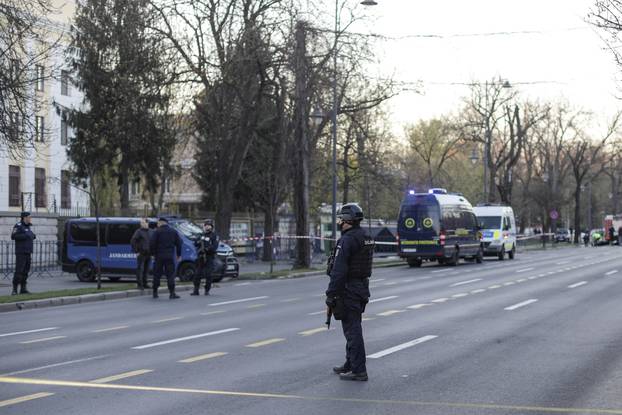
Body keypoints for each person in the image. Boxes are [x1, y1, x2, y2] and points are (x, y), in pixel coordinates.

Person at [325, 203, 374, 382]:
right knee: (351, 327)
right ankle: (350, 363)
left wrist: (331, 294)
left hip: (349, 288)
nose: (339, 222)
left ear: (347, 220)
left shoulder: (347, 240)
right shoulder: (366, 236)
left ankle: (359, 370)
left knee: (352, 330)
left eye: (340, 219)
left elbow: (339, 270)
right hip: (361, 287)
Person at [150, 217, 182, 299]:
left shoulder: (157, 232)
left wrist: (153, 254)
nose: (157, 224)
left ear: (161, 223)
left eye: (158, 223)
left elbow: (152, 243)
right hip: (169, 256)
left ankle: (155, 292)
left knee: (157, 274)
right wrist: (178, 255)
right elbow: (179, 244)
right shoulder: (173, 231)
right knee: (170, 275)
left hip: (159, 256)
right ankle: (172, 293)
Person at [11, 211, 36, 295]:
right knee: (19, 271)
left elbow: (32, 235)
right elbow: (13, 236)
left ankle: (23, 289)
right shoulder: (18, 226)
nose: (30, 219)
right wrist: (26, 235)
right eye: (29, 217)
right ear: (24, 218)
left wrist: (31, 235)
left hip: (28, 252)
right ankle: (14, 290)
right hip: (21, 252)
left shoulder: (28, 226)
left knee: (26, 271)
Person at [192, 220, 219, 296]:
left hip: (209, 257)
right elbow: (196, 243)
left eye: (209, 225)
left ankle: (207, 290)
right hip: (200, 257)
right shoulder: (201, 235)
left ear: (211, 227)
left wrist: (207, 249)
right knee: (197, 274)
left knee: (208, 274)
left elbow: (215, 247)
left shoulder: (214, 236)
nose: (207, 226)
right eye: (206, 225)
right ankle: (196, 290)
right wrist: (198, 243)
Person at [130, 218, 152, 290]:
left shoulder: (150, 231)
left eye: (143, 222)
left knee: (146, 270)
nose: (141, 224)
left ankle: (145, 283)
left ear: (147, 223)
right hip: (141, 253)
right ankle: (139, 284)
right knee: (140, 269)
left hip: (149, 254)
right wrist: (136, 251)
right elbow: (133, 241)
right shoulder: (138, 231)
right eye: (141, 222)